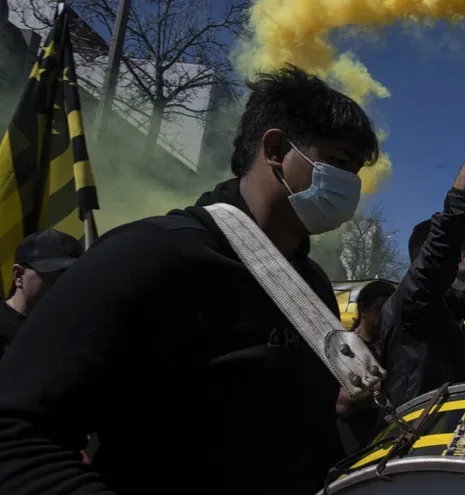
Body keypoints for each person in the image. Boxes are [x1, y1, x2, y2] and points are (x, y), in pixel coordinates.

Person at [0, 65, 380, 495]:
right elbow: (16, 437)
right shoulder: (151, 256)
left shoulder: (311, 285)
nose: (350, 185)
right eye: (338, 162)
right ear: (275, 148)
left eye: (355, 171)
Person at [380, 68, 465, 407]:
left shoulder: (449, 311)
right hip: (411, 431)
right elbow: (453, 221)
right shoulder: (415, 299)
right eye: (463, 247)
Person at [1, 229, 82, 358]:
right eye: (53, 275)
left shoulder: (78, 327)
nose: (62, 285)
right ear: (19, 275)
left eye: (71, 276)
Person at [336, 280, 395, 454]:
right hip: (354, 437)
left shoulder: (388, 346)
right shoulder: (346, 347)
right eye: (379, 308)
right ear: (363, 309)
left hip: (383, 435)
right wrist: (385, 383)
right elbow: (343, 404)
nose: (385, 315)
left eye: (389, 309)